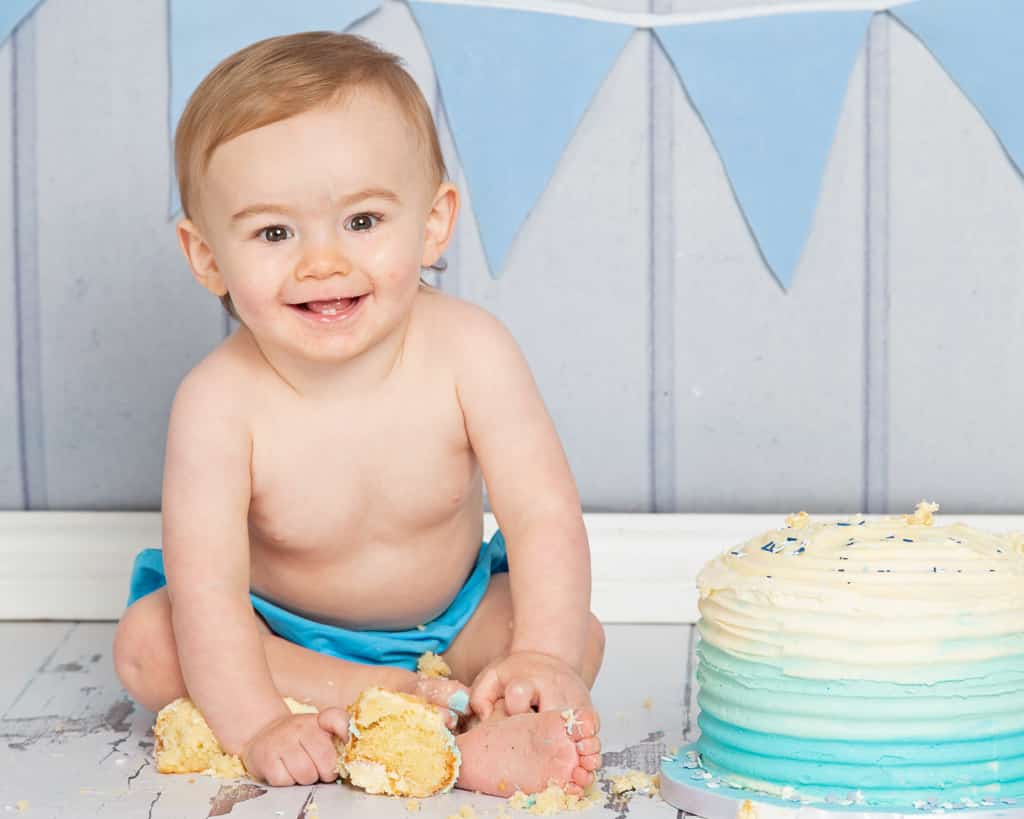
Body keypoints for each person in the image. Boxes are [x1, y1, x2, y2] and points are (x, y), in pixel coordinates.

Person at [112, 31, 604, 796]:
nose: (323, 262)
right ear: (207, 255)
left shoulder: (472, 351)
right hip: (279, 636)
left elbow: (542, 517)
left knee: (573, 636)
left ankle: (453, 726)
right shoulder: (217, 402)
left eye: (363, 221)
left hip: (453, 618)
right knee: (151, 641)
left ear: (434, 222)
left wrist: (541, 654)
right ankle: (417, 720)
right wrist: (254, 725)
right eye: (274, 232)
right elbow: (208, 592)